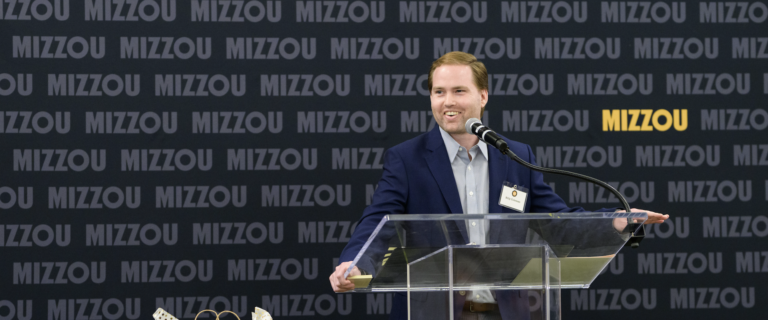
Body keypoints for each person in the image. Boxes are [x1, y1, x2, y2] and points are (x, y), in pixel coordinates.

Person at [329, 51, 669, 319]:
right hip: (432, 313)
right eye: (439, 92)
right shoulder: (406, 158)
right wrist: (354, 262)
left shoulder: (516, 155)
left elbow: (559, 224)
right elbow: (378, 220)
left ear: (483, 96)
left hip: (508, 312)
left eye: (459, 91)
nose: (447, 102)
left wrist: (616, 221)